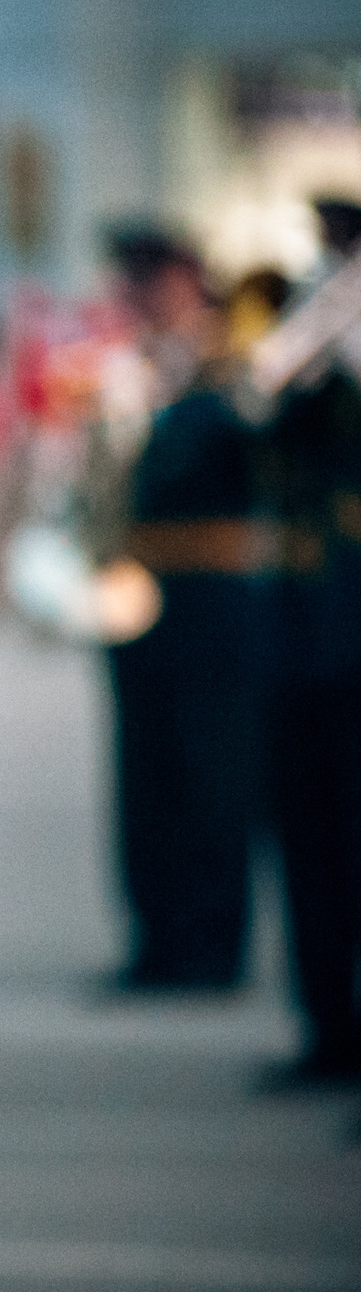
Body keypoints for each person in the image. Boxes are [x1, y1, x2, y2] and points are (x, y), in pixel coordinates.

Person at [89, 231, 270, 996]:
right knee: (144, 769)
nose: (138, 296)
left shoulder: (232, 365)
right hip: (139, 586)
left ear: (192, 281)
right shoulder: (128, 371)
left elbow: (235, 453)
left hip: (212, 588)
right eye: (132, 280)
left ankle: (212, 941)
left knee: (213, 771)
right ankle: (156, 936)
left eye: (153, 279)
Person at [263, 200, 361, 1082]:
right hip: (308, 613)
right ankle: (329, 1027)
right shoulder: (323, 329)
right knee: (314, 829)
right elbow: (257, 431)